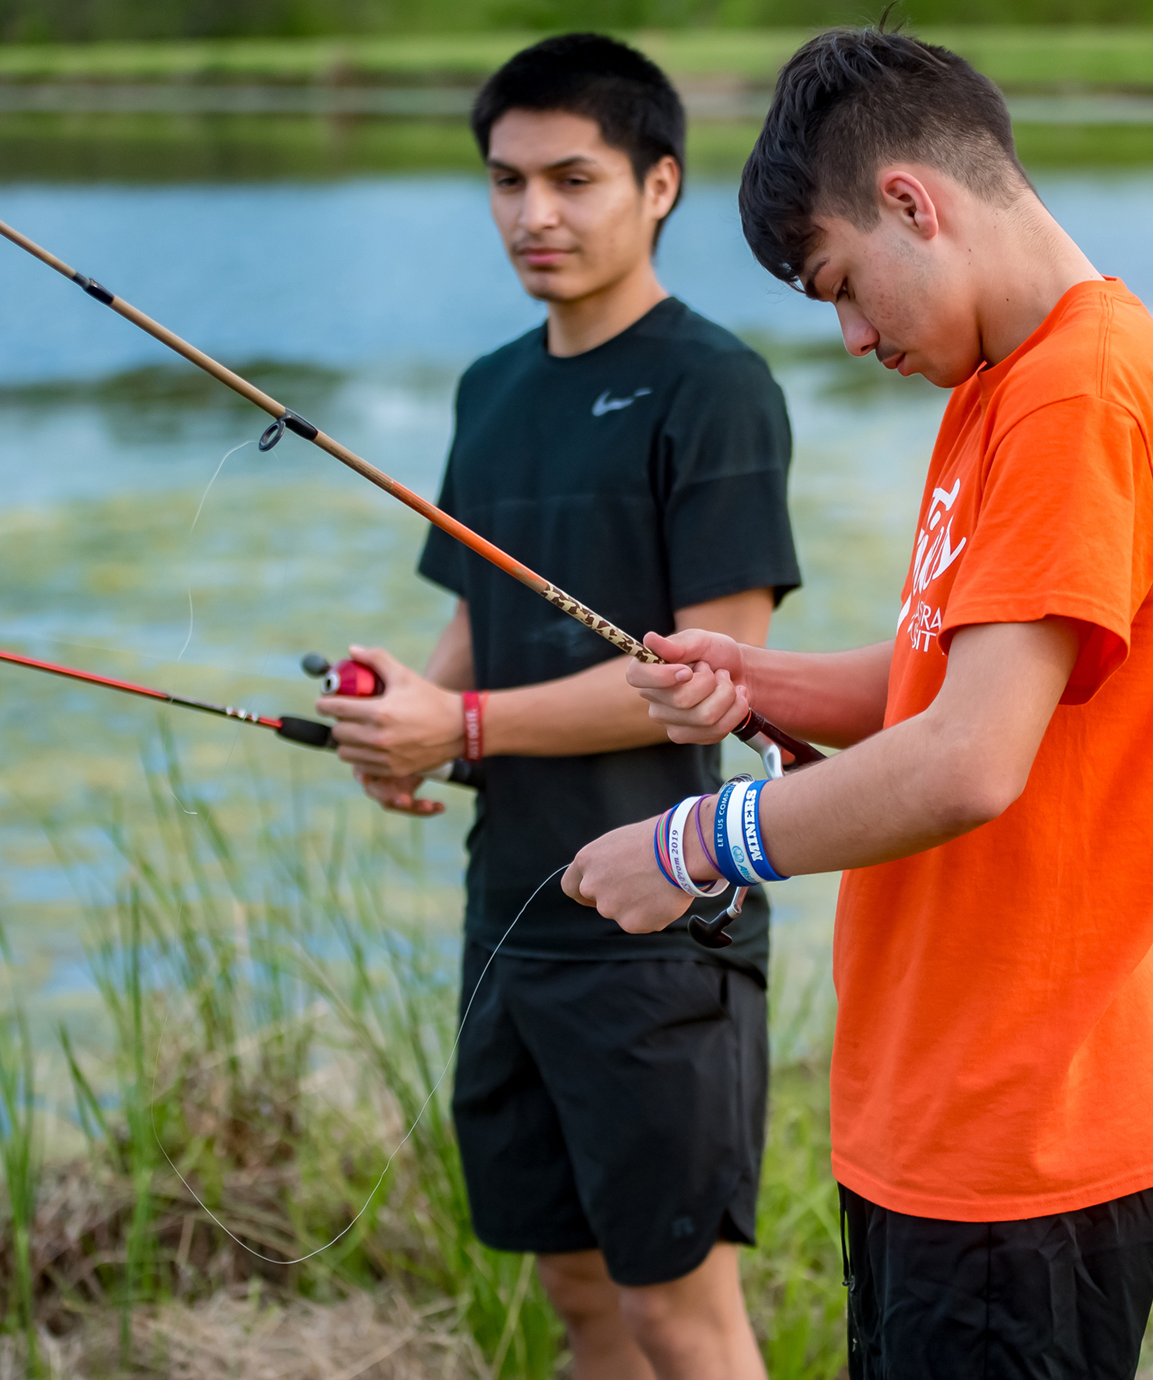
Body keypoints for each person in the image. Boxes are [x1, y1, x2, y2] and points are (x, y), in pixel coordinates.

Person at [563, 26, 1153, 1380]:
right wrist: (757, 681)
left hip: (1023, 1128)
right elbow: (953, 681)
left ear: (913, 204)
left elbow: (970, 762)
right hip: (945, 1107)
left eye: (843, 288)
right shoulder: (1001, 382)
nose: (856, 336)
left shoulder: (1078, 397)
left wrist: (699, 845)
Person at [316, 34, 801, 1380]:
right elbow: (473, 622)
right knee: (579, 1294)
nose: (535, 214)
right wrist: (405, 714)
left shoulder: (714, 389)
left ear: (659, 184)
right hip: (513, 910)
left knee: (677, 1314)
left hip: (656, 924)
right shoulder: (491, 387)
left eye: (574, 178)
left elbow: (719, 671)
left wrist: (463, 728)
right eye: (507, 179)